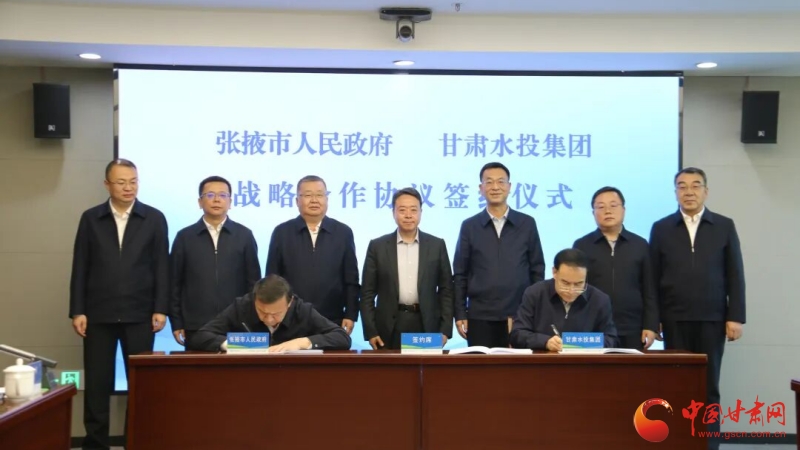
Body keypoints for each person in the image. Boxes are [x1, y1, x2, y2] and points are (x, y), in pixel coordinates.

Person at [69, 159, 169, 450]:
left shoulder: (154, 218)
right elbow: (80, 265)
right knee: (97, 385)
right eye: (121, 182)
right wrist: (77, 309)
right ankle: (95, 444)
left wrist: (160, 307)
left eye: (133, 181)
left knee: (140, 385)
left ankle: (135, 442)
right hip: (97, 314)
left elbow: (162, 265)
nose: (129, 187)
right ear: (107, 184)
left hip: (140, 314)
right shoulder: (91, 218)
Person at [649, 167, 745, 450]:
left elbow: (735, 273)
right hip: (673, 318)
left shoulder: (724, 226)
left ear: (706, 191)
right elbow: (652, 277)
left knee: (708, 386)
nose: (688, 192)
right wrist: (654, 319)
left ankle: (709, 444)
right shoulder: (662, 228)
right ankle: (679, 442)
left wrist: (735, 316)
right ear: (675, 192)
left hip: (712, 318)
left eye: (695, 185)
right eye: (682, 186)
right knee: (676, 385)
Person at [453, 162, 545, 348]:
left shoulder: (526, 223)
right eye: (489, 182)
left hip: (519, 316)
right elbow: (460, 273)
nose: (495, 187)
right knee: (480, 366)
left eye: (501, 182)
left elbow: (537, 269)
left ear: (509, 187)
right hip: (479, 316)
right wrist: (460, 313)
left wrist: (535, 310)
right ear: (481, 188)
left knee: (518, 366)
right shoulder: (470, 226)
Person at [169, 175, 261, 346]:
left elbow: (253, 283)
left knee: (239, 364)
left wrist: (253, 320)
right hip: (196, 324)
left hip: (237, 323)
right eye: (210, 195)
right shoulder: (185, 237)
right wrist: (177, 322)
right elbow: (174, 283)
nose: (217, 200)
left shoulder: (244, 235)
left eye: (223, 195)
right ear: (200, 202)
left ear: (230, 202)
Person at [360, 187, 454, 349]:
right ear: (393, 213)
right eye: (402, 210)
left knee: (424, 366)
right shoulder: (378, 247)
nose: (408, 215)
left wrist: (445, 330)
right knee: (391, 366)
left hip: (426, 324)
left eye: (413, 210)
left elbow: (446, 290)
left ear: (421, 212)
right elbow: (367, 293)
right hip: (388, 326)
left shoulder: (436, 245)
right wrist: (371, 331)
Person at [266, 175, 360, 334]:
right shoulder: (282, 232)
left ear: (327, 199)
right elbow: (272, 278)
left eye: (319, 195)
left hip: (332, 319)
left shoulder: (343, 232)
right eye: (308, 195)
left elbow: (351, 279)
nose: (314, 200)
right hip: (289, 319)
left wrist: (350, 314)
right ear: (297, 201)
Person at [573, 186, 658, 350]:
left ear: (623, 210)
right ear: (593, 213)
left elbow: (650, 289)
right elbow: (576, 289)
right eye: (601, 207)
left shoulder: (640, 245)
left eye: (613, 205)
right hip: (593, 326)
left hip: (633, 327)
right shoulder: (582, 245)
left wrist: (650, 325)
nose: (608, 211)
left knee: (631, 367)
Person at [188, 274, 351, 352]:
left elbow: (342, 337)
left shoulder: (302, 309)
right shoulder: (242, 306)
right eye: (262, 312)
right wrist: (240, 344)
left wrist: (303, 342)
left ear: (289, 303)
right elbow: (200, 336)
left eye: (276, 314)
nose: (269, 319)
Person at [510, 249, 618, 351]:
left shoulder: (599, 300)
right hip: (543, 361)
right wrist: (545, 342)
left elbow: (611, 339)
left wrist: (580, 343)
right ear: (554, 272)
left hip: (584, 363)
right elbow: (517, 334)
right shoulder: (535, 294)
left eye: (578, 284)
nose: (571, 290)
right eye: (565, 283)